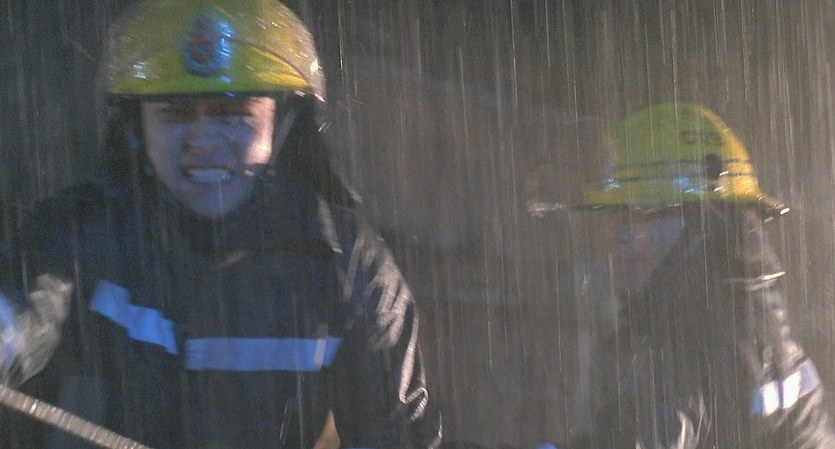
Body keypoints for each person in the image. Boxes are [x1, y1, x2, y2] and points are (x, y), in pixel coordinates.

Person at [0, 1, 442, 448]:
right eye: (175, 113)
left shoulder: (351, 268)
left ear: (284, 124)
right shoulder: (81, 231)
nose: (203, 141)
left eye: (233, 112)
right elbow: (18, 310)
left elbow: (396, 436)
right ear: (136, 126)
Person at [531, 102, 835, 448]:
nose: (615, 235)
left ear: (703, 222)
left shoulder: (688, 345)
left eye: (640, 212)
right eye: (610, 215)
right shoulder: (759, 330)